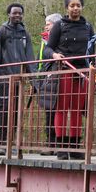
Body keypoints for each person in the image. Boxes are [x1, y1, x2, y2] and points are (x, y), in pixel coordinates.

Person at [46, 0, 94, 160]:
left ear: (82, 7)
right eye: (72, 6)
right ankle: (61, 147)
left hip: (81, 72)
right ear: (67, 8)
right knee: (61, 108)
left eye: (78, 5)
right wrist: (54, 55)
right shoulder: (59, 25)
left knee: (76, 110)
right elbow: (48, 48)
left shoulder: (88, 27)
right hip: (64, 70)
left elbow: (92, 49)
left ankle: (74, 147)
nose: (75, 8)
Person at [0, 3, 36, 155]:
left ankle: (11, 142)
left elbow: (29, 57)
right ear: (8, 14)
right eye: (14, 13)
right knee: (3, 111)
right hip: (4, 79)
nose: (17, 16)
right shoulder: (0, 32)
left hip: (19, 80)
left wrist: (33, 79)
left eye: (20, 13)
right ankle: (1, 144)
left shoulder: (25, 34)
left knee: (16, 112)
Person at [37, 13, 63, 153]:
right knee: (50, 113)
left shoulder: (60, 38)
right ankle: (51, 143)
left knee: (58, 112)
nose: (46, 26)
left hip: (56, 76)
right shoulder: (44, 40)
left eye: (49, 23)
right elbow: (40, 60)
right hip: (46, 79)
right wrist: (37, 81)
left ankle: (59, 144)